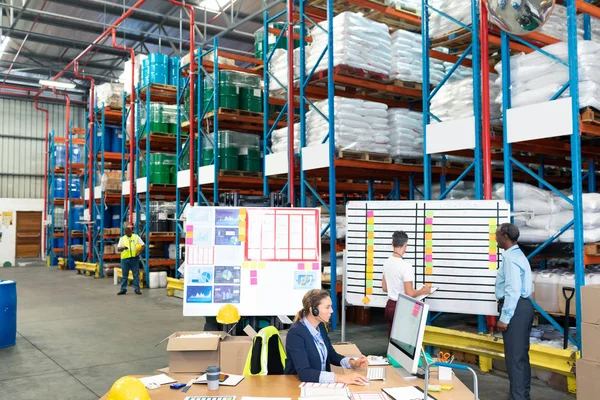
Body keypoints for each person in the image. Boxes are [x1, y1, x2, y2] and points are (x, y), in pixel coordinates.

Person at [285, 289, 369, 384]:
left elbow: (331, 355)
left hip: (319, 385)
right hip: (298, 387)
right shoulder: (296, 334)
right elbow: (305, 373)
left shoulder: (320, 326)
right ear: (314, 311)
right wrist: (342, 378)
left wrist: (352, 363)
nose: (332, 311)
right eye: (327, 307)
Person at [495, 223, 534, 400]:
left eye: (496, 234)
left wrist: (505, 317)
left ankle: (518, 398)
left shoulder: (510, 258)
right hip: (523, 307)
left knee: (514, 360)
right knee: (521, 358)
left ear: (504, 236)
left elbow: (512, 290)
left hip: (515, 309)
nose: (494, 238)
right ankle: (523, 396)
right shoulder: (518, 254)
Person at [382, 231, 431, 337]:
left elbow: (385, 288)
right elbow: (409, 293)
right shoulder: (406, 266)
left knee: (392, 340)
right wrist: (423, 291)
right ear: (405, 245)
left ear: (392, 244)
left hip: (389, 306)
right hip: (401, 307)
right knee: (402, 341)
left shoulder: (386, 263)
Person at [116, 225, 145, 295]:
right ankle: (123, 289)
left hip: (134, 259)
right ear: (125, 233)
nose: (127, 234)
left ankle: (137, 289)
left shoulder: (136, 237)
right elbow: (118, 249)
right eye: (126, 233)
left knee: (136, 275)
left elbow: (143, 246)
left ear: (130, 231)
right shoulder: (122, 239)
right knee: (124, 275)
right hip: (125, 259)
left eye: (128, 232)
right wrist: (123, 248)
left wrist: (139, 252)